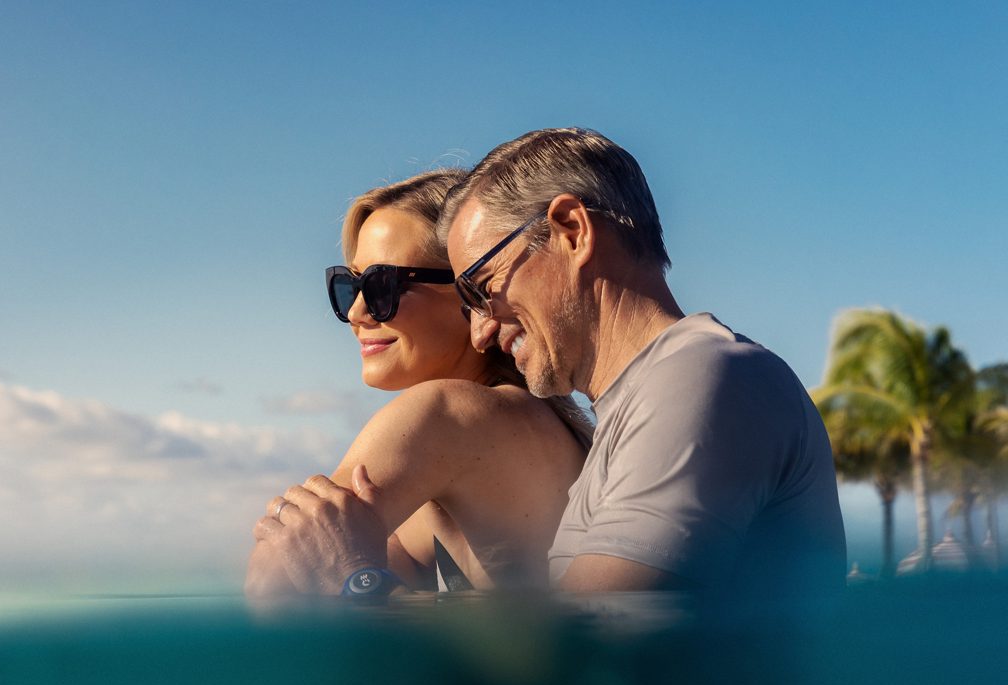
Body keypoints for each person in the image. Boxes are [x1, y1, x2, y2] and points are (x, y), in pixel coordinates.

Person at [258, 129, 846, 601]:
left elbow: (596, 654)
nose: (482, 323)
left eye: (482, 287)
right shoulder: (644, 404)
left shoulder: (702, 377)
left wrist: (358, 583)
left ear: (570, 231)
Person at [245, 170, 588, 596]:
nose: (356, 313)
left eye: (382, 285)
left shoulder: (446, 412)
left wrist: (351, 573)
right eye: (350, 285)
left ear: (473, 289)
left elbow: (273, 582)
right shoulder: (527, 420)